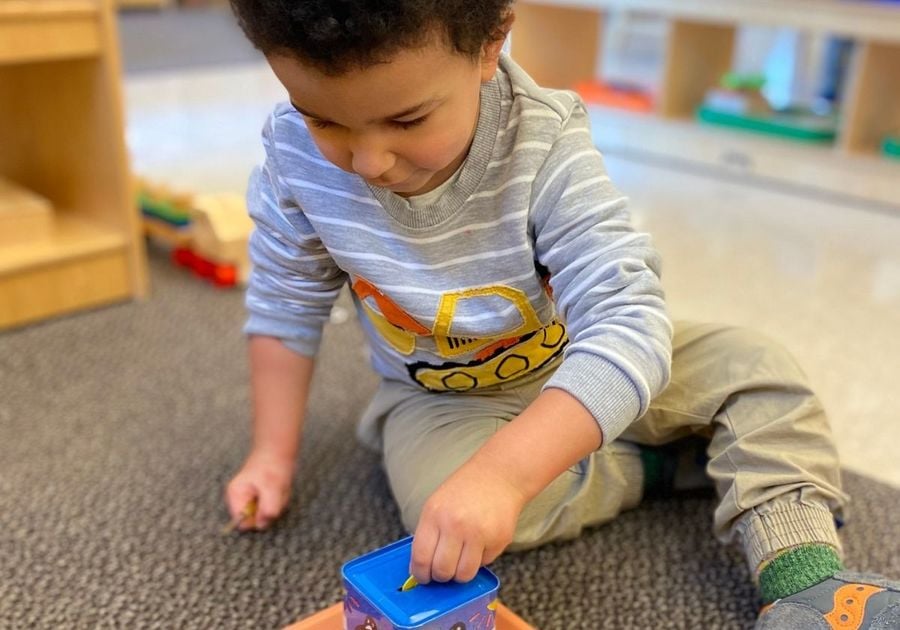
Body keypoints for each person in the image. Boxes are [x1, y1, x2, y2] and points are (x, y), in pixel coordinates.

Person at [222, 1, 900, 626]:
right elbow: (285, 302)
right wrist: (271, 457)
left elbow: (627, 323)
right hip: (444, 401)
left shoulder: (544, 141)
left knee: (757, 366)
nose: (368, 161)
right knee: (441, 509)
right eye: (324, 118)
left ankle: (804, 578)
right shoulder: (293, 158)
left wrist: (504, 475)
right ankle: (657, 466)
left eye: (407, 120)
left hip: (580, 362)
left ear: (490, 45)